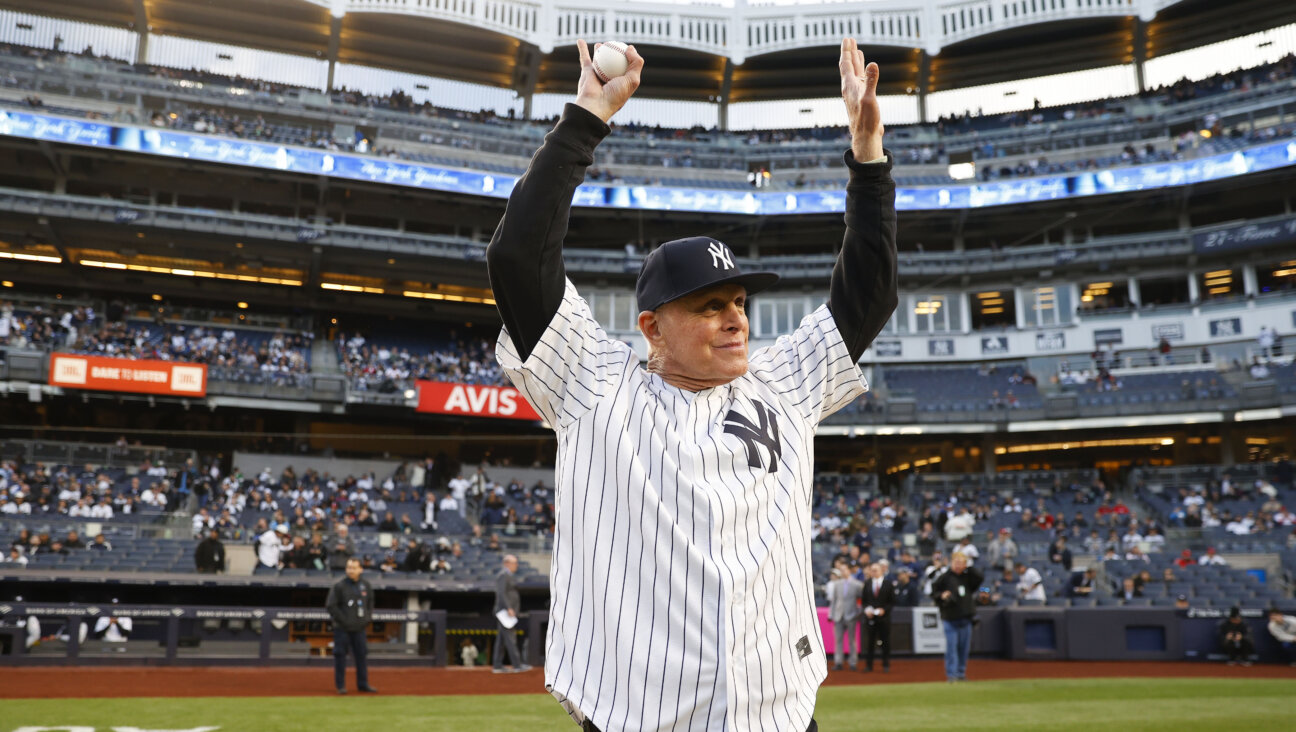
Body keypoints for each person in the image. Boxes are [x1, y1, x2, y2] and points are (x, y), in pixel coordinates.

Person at [486, 37, 895, 732]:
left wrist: (868, 162)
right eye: (709, 306)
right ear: (652, 326)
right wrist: (586, 116)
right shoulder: (593, 384)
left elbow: (867, 294)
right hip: (639, 716)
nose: (734, 319)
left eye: (738, 303)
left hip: (778, 716)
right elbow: (519, 255)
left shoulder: (784, 384)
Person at [326, 557, 377, 694]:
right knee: (340, 656)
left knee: (361, 656)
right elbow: (331, 606)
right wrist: (344, 620)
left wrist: (367, 618)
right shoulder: (339, 586)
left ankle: (363, 684)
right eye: (349, 567)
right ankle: (341, 686)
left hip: (359, 628)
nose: (351, 570)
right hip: (342, 629)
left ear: (360, 569)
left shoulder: (365, 585)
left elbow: (370, 603)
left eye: (354, 568)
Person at [931, 552, 982, 682]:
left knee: (964, 648)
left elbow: (980, 577)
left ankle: (961, 673)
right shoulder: (944, 577)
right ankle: (951, 674)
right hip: (950, 618)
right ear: (951, 563)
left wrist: (968, 567)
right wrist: (942, 595)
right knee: (951, 647)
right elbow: (934, 592)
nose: (958, 565)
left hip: (966, 618)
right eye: (956, 562)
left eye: (961, 563)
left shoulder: (968, 577)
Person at [492, 554, 530, 674]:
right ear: (507, 563)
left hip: (506, 612)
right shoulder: (503, 575)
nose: (516, 565)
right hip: (504, 612)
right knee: (510, 638)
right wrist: (509, 608)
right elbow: (501, 593)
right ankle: (517, 665)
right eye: (514, 563)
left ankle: (497, 665)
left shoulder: (509, 575)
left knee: (501, 640)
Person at [826, 566, 863, 671]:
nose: (842, 572)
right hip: (838, 615)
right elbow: (834, 601)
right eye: (841, 570)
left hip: (851, 615)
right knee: (838, 640)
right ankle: (838, 662)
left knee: (852, 640)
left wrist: (858, 613)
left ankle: (853, 662)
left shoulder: (857, 584)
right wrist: (831, 614)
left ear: (849, 571)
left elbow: (861, 600)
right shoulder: (837, 584)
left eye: (844, 570)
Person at [860, 562, 896, 672]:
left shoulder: (888, 584)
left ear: (881, 571)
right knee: (870, 642)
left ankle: (886, 664)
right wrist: (867, 610)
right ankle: (869, 665)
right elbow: (864, 601)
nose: (873, 572)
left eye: (876, 570)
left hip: (884, 618)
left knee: (885, 641)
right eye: (872, 570)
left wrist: (884, 610)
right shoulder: (867, 583)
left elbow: (892, 601)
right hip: (871, 618)